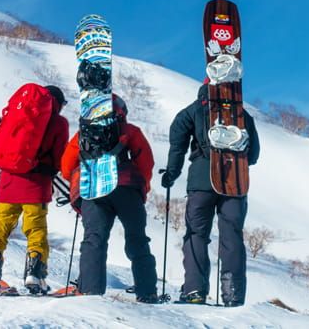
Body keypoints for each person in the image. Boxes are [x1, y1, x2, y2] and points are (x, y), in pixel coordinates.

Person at [161, 81, 260, 307]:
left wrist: (171, 173)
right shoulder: (241, 113)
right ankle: (233, 294)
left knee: (196, 234)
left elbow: (177, 144)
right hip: (235, 182)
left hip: (201, 182)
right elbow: (253, 155)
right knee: (232, 236)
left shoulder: (192, 111)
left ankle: (194, 291)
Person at [60, 94, 160, 303]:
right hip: (127, 188)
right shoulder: (130, 131)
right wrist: (142, 188)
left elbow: (66, 165)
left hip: (92, 189)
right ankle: (147, 292)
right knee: (137, 238)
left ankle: (90, 291)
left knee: (94, 239)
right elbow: (145, 162)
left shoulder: (83, 134)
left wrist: (79, 184)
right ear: (122, 111)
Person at [0, 85, 70, 294]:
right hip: (36, 184)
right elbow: (59, 158)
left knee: (1, 226)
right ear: (57, 102)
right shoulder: (59, 123)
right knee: (35, 229)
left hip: (9, 180)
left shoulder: (17, 115)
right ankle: (35, 276)